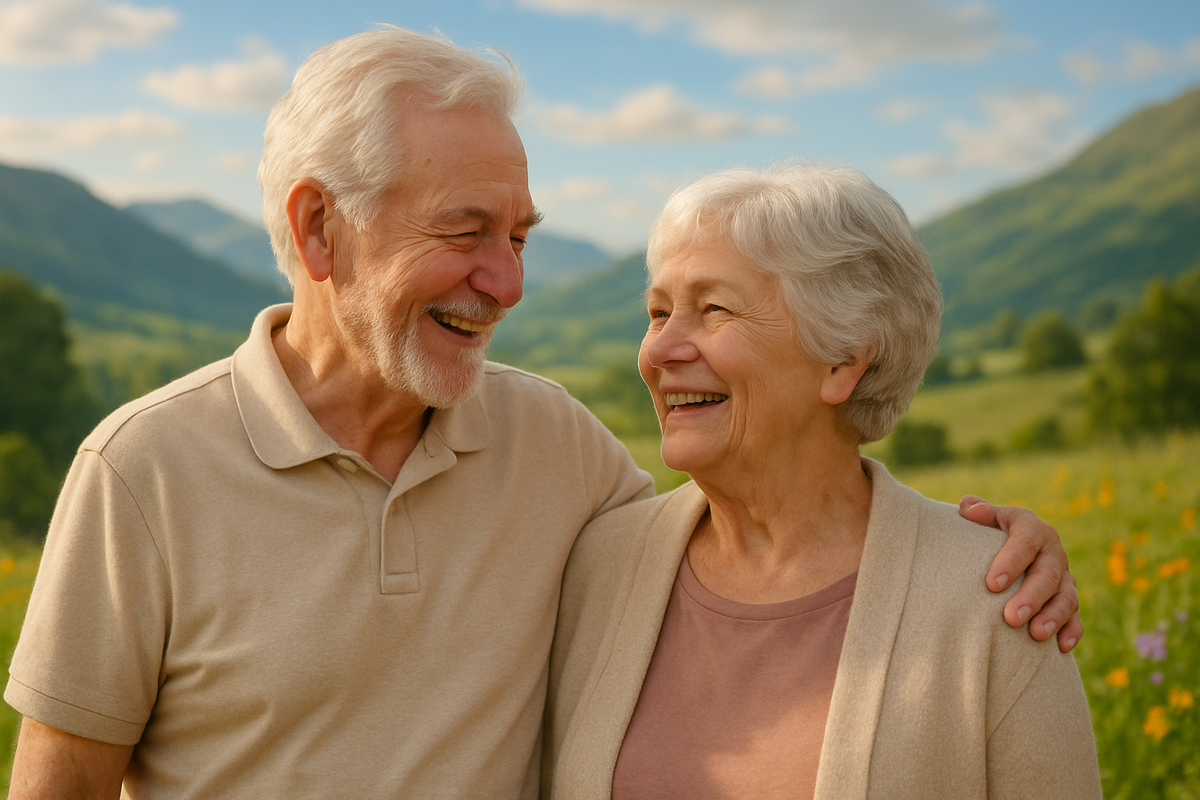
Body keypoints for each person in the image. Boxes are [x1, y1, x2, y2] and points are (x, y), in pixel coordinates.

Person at [4, 28, 1079, 800]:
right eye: (466, 229)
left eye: (520, 235)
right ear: (319, 227)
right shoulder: (142, 469)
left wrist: (984, 547)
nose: (506, 282)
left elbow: (779, 509)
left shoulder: (554, 447)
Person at [544, 165, 1101, 799]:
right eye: (658, 312)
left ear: (843, 358)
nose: (660, 349)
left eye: (713, 310)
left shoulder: (995, 599)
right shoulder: (596, 566)